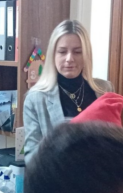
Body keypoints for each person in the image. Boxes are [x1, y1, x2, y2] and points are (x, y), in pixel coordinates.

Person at [22, 19, 114, 163]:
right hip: (57, 174)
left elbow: (115, 142)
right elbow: (31, 156)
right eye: (62, 52)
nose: (69, 59)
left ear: (86, 55)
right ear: (53, 55)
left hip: (100, 174)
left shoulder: (104, 90)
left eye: (77, 52)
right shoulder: (36, 98)